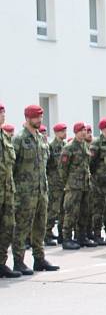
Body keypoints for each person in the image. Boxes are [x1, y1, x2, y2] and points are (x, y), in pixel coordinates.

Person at [12, 105, 59, 274]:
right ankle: (18, 261)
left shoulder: (41, 138)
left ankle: (39, 259)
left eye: (41, 117)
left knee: (40, 225)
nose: (39, 120)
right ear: (27, 118)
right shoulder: (19, 139)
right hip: (24, 193)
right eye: (36, 117)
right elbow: (11, 167)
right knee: (22, 227)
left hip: (41, 191)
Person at [60, 123, 94, 250]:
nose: (84, 132)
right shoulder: (69, 147)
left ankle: (81, 237)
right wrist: (68, 182)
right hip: (74, 186)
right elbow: (62, 168)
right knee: (71, 212)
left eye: (85, 130)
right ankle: (67, 239)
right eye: (81, 130)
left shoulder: (85, 145)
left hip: (85, 185)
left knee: (84, 212)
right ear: (76, 132)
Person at [0, 102, 21, 278]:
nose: (3, 115)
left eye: (3, 112)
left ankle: (1, 263)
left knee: (8, 227)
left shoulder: (6, 138)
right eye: (0, 113)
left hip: (7, 192)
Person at [89, 117, 106, 245]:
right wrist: (96, 176)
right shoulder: (97, 143)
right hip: (99, 182)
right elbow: (91, 162)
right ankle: (97, 234)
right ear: (103, 129)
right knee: (98, 208)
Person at [46, 123, 67, 244]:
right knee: (53, 209)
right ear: (56, 133)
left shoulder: (65, 145)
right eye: (62, 131)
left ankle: (61, 233)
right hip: (54, 183)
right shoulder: (51, 146)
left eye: (65, 131)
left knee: (62, 210)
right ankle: (47, 233)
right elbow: (47, 165)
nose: (64, 133)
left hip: (63, 182)